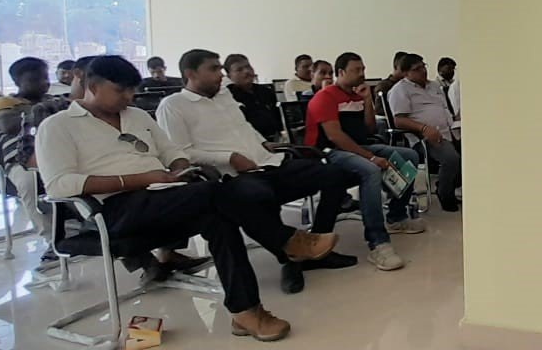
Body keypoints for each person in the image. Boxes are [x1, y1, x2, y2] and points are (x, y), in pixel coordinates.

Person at [37, 55, 339, 342]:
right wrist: (143, 179)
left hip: (161, 196)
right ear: (93, 86)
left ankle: (246, 312)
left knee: (218, 218)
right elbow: (59, 185)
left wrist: (180, 169)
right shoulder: (59, 126)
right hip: (113, 209)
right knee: (217, 191)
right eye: (120, 91)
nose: (128, 97)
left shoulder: (136, 116)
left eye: (131, 90)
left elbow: (172, 153)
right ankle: (286, 242)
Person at [157, 49, 357, 294]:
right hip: (230, 175)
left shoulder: (224, 96)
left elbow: (243, 127)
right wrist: (230, 157)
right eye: (213, 69)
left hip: (266, 162)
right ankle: (291, 257)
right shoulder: (173, 106)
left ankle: (316, 245)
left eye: (220, 68)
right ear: (190, 74)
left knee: (333, 175)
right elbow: (181, 154)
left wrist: (262, 142)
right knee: (259, 195)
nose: (221, 74)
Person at [305, 52, 425, 271]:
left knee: (410, 156)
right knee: (370, 170)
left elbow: (368, 130)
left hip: (357, 146)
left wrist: (367, 100)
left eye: (363, 69)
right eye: (356, 70)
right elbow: (334, 136)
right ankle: (378, 242)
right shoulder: (325, 97)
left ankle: (396, 216)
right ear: (341, 72)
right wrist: (370, 157)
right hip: (328, 152)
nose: (362, 74)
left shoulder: (356, 96)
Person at [0, 57, 71, 260]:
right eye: (35, 80)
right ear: (17, 82)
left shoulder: (54, 101)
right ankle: (53, 240)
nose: (43, 83)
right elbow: (7, 125)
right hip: (21, 161)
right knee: (29, 182)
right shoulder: (5, 103)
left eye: (45, 78)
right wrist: (42, 113)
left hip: (59, 155)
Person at [388, 53, 463, 212]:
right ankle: (445, 194)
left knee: (471, 151)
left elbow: (444, 109)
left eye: (423, 66)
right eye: (417, 69)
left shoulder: (434, 86)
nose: (423, 71)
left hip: (449, 130)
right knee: (452, 158)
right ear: (406, 73)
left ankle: (449, 184)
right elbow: (399, 120)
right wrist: (423, 128)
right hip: (424, 137)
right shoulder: (400, 90)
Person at [223, 54, 283, 142]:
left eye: (248, 67)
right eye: (239, 70)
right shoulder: (228, 96)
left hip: (278, 138)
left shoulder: (265, 91)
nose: (246, 71)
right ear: (229, 76)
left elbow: (278, 116)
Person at [373, 52, 408, 116]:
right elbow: (379, 110)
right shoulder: (384, 86)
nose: (407, 71)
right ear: (396, 67)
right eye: (404, 68)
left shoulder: (410, 85)